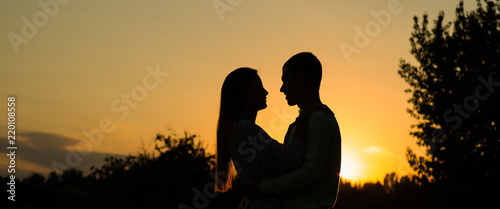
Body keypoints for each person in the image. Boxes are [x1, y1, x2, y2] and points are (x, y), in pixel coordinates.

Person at [249, 52, 342, 209]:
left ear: (300, 81)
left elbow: (311, 173)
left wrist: (263, 187)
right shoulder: (306, 121)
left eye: (285, 81)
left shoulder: (320, 120)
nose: (282, 88)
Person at [215, 67, 311, 209]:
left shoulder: (237, 129)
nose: (265, 92)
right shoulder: (246, 130)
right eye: (258, 87)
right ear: (243, 93)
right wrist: (305, 115)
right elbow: (289, 158)